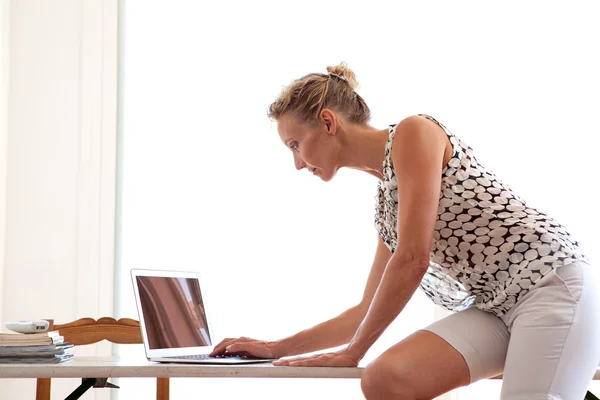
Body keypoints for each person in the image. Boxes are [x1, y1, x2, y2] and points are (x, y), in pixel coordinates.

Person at [209, 62, 600, 399]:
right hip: (495, 307)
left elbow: (413, 259)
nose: (296, 163)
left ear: (328, 122)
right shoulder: (386, 206)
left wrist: (352, 352)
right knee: (386, 380)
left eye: (295, 144)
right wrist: (274, 347)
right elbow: (365, 311)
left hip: (549, 284)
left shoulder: (414, 133)